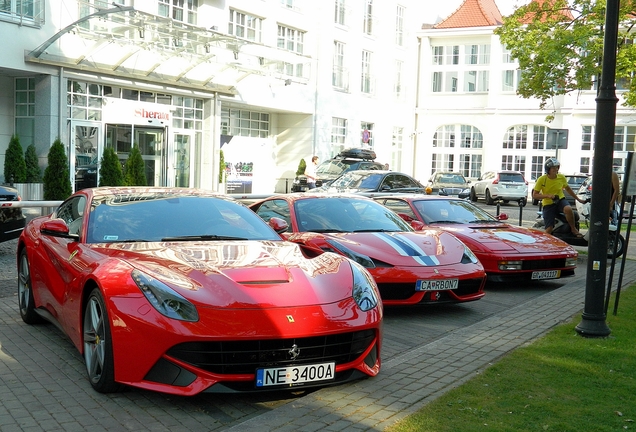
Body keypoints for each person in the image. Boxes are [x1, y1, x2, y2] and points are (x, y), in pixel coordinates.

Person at [532, 158, 586, 236]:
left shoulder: (561, 177)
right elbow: (535, 195)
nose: (556, 169)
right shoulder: (542, 179)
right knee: (549, 229)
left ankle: (573, 229)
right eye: (553, 168)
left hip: (560, 200)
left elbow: (568, 188)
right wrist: (547, 195)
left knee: (568, 209)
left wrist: (578, 199)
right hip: (548, 204)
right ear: (548, 169)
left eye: (557, 167)